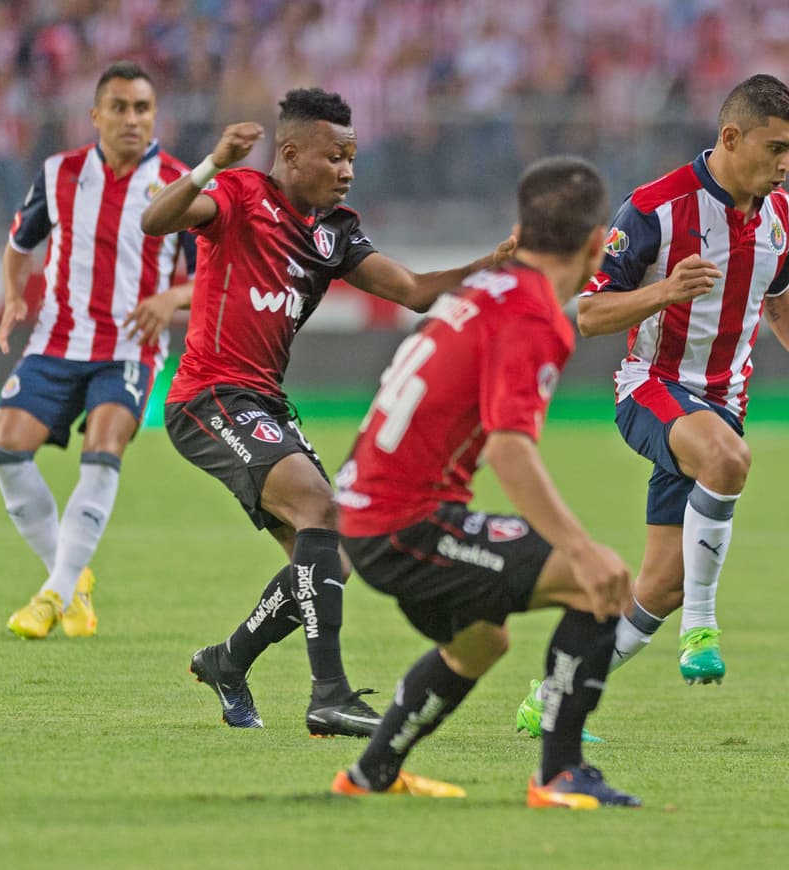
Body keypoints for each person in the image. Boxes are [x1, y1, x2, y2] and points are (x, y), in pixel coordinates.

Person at [141, 88, 516, 738]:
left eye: (352, 159)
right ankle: (329, 695)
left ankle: (228, 661)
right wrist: (211, 163)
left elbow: (414, 291)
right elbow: (156, 220)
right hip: (208, 396)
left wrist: (490, 265)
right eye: (334, 157)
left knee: (332, 558)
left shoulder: (334, 234)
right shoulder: (239, 194)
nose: (346, 171)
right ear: (290, 153)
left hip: (262, 403)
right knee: (318, 507)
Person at [515, 74, 789, 736]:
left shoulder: (781, 214)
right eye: (776, 148)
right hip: (652, 388)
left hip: (722, 404)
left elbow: (777, 296)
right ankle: (702, 626)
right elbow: (588, 312)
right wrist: (664, 292)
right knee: (729, 460)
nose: (787, 164)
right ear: (731, 137)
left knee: (660, 588)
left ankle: (554, 696)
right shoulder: (654, 209)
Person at [330, 156, 640, 808]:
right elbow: (508, 448)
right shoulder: (533, 313)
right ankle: (559, 774)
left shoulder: (485, 288)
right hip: (404, 522)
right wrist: (580, 549)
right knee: (599, 582)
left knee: (480, 640)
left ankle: (370, 775)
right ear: (595, 245)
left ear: (519, 232)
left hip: (361, 510)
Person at [0, 61, 196, 640]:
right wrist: (13, 294)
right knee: (6, 449)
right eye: (120, 107)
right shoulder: (59, 173)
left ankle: (52, 595)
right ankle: (72, 577)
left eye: (142, 108)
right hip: (57, 339)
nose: (132, 119)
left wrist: (172, 297)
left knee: (103, 450)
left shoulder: (180, 185)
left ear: (154, 116)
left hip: (130, 347)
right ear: (96, 115)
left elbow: (212, 276)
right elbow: (19, 243)